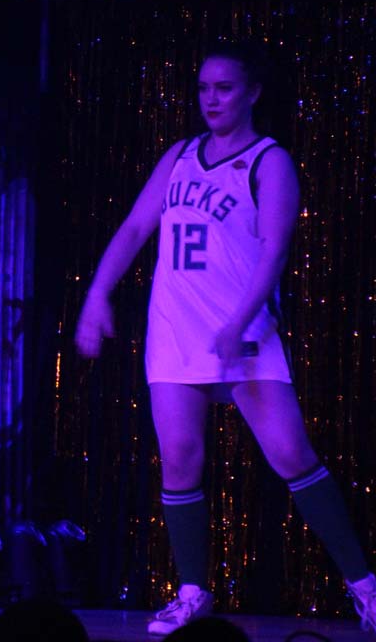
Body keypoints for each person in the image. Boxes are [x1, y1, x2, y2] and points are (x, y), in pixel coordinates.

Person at [74, 41, 376, 635]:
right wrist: (97, 294)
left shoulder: (270, 161)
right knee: (180, 457)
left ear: (252, 93)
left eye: (224, 88)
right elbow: (135, 227)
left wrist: (239, 322)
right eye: (204, 88)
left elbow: (275, 250)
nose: (211, 99)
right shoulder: (181, 155)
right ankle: (192, 591)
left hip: (242, 328)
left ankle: (364, 586)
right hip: (176, 329)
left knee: (291, 455)